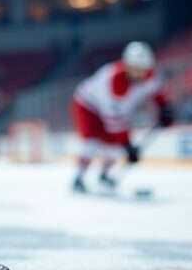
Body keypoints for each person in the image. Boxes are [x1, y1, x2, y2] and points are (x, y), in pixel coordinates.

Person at [70, 41, 173, 192]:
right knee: (91, 142)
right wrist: (128, 146)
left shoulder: (150, 76)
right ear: (126, 65)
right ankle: (78, 178)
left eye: (142, 69)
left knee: (113, 148)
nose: (139, 73)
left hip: (111, 111)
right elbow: (115, 122)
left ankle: (104, 175)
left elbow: (157, 92)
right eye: (135, 69)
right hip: (88, 106)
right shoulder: (113, 82)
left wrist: (165, 108)